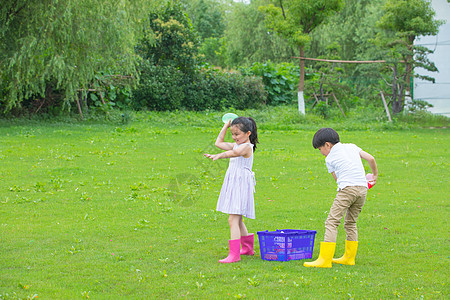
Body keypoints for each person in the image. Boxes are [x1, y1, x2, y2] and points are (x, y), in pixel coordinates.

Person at [304, 128, 378, 268]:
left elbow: (337, 179)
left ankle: (325, 260)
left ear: (327, 145)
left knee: (331, 222)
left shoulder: (329, 159)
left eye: (320, 149)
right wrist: (374, 175)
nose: (321, 152)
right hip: (362, 189)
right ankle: (349, 258)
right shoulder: (352, 147)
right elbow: (371, 158)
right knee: (351, 222)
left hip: (347, 189)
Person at [204, 117, 259, 263]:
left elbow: (234, 153)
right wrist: (226, 126)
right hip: (235, 183)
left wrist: (218, 156)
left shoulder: (247, 147)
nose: (234, 137)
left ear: (248, 133)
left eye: (237, 134)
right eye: (232, 134)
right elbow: (218, 143)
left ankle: (234, 255)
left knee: (232, 219)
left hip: (240, 184)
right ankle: (247, 249)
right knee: (238, 219)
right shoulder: (237, 144)